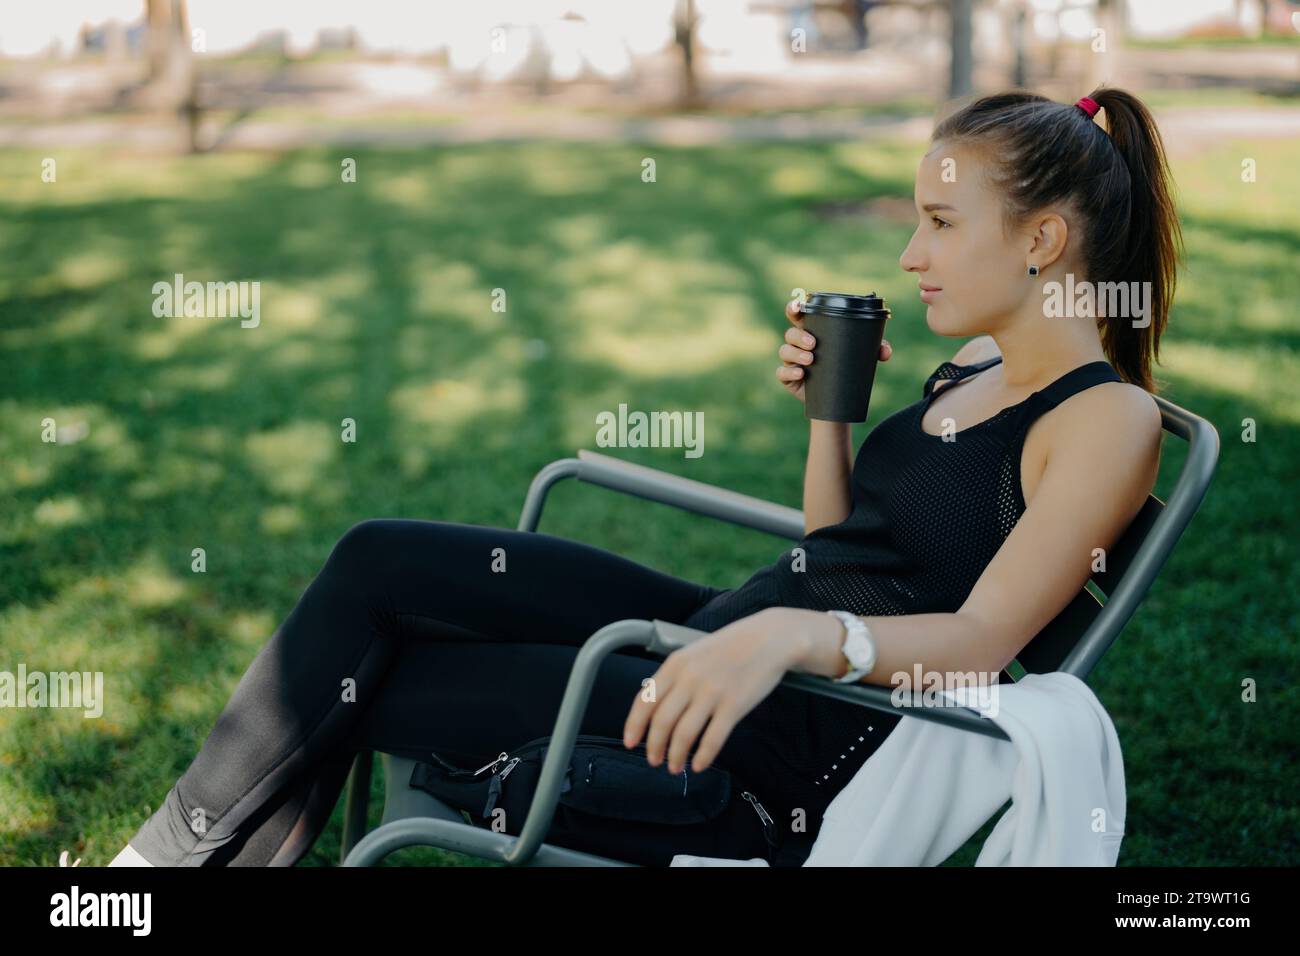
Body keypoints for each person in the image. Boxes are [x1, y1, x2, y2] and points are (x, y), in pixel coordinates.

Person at [96, 86, 1179, 868]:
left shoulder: (1106, 421)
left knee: (371, 680)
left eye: (939, 222)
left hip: (779, 728)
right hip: (736, 630)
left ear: (1041, 239)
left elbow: (982, 644)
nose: (908, 252)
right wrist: (826, 420)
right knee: (378, 563)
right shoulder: (975, 366)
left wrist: (799, 639)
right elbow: (844, 541)